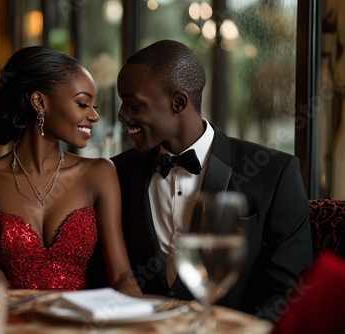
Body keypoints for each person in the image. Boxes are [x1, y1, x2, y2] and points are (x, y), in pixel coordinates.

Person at [110, 40, 314, 320]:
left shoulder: (274, 173)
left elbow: (289, 291)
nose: (122, 116)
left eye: (134, 105)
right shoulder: (116, 173)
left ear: (178, 102)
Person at [0, 46, 141, 296]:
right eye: (82, 104)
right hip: (13, 322)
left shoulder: (99, 173)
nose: (94, 116)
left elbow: (122, 276)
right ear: (39, 102)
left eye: (94, 106)